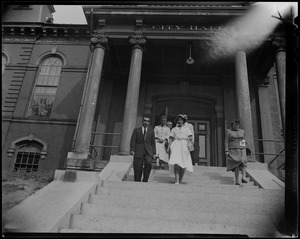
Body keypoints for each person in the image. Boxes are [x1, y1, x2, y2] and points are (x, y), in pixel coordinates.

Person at [167, 114, 193, 184]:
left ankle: (180, 179)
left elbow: (191, 137)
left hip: (184, 146)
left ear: (183, 121)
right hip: (176, 145)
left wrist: (188, 138)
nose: (179, 121)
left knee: (183, 163)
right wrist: (168, 147)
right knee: (176, 162)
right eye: (178, 120)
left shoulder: (187, 129)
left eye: (181, 120)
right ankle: (176, 180)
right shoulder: (174, 129)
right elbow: (171, 139)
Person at [130, 116, 156, 182]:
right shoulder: (136, 130)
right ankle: (137, 180)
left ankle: (145, 179)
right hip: (139, 150)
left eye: (147, 121)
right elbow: (133, 140)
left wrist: (154, 153)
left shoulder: (151, 131)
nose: (146, 122)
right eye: (144, 121)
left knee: (148, 163)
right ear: (142, 121)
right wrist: (132, 150)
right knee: (138, 165)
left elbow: (153, 142)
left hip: (148, 151)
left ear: (149, 123)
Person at [225, 119, 248, 185]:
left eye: (238, 125)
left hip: (242, 149)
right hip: (233, 150)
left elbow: (244, 139)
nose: (237, 126)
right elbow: (226, 141)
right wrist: (226, 150)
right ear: (232, 125)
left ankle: (243, 178)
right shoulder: (228, 131)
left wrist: (245, 146)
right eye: (235, 125)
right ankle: (237, 180)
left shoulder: (242, 131)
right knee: (236, 164)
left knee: (244, 162)